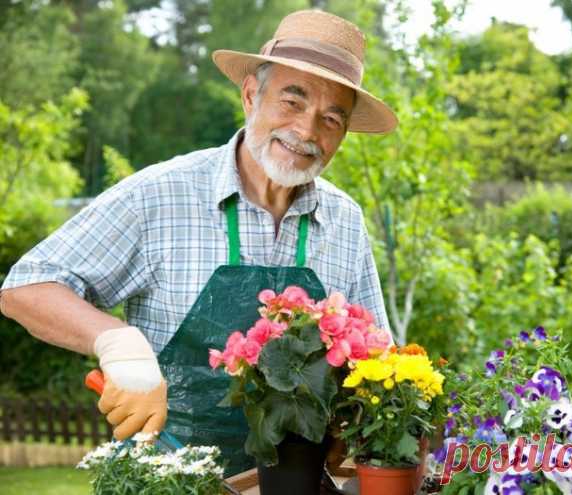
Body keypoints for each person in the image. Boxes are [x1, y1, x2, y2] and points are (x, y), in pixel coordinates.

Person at [0, 9, 397, 475]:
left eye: (331, 118)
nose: (307, 131)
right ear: (251, 95)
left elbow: (379, 357)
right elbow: (26, 286)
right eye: (292, 101)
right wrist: (117, 342)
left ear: (344, 134)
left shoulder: (344, 220)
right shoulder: (159, 195)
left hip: (297, 483)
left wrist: (356, 419)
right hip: (169, 480)